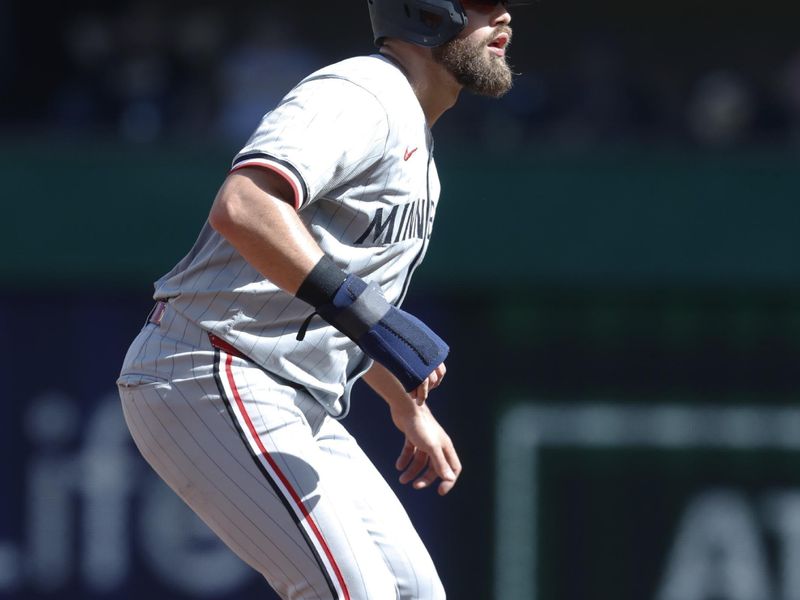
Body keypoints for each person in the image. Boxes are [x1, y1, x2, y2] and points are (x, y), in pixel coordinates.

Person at [117, 1, 519, 598]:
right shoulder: (362, 94)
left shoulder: (415, 135)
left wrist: (404, 403)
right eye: (485, 2)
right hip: (212, 365)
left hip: (290, 391)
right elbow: (244, 206)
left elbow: (345, 309)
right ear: (426, 11)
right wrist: (370, 315)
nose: (506, 17)